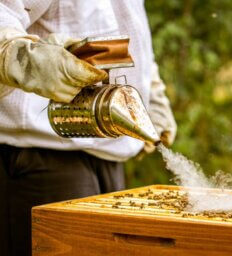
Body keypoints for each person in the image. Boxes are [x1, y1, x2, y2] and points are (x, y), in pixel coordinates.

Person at [0, 1, 177, 255]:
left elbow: (129, 27)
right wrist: (21, 58)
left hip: (111, 156)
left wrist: (153, 92)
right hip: (44, 161)